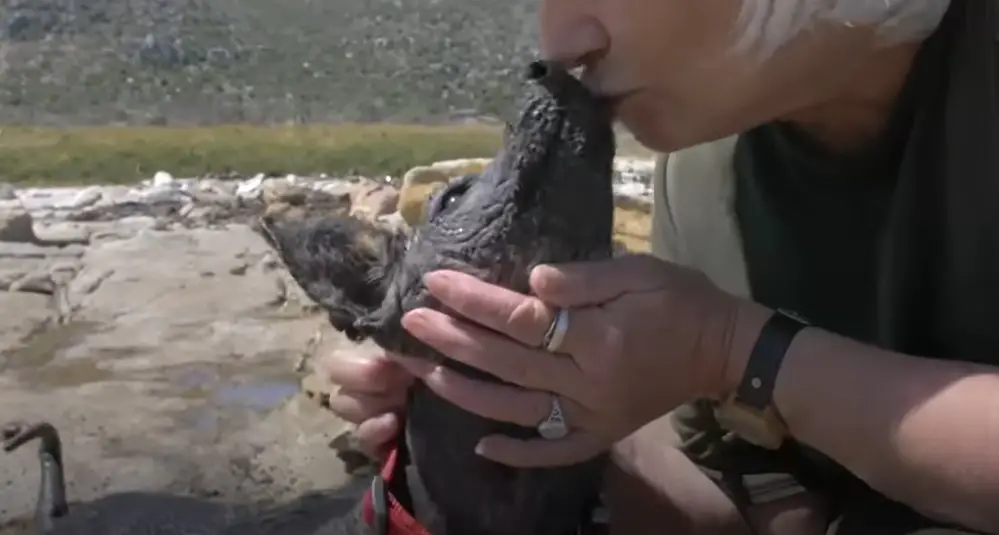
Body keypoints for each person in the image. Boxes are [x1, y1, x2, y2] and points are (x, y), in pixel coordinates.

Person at [315, 0, 999, 534]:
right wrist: (528, 422)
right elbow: (733, 504)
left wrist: (734, 350)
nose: (558, 43)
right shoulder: (705, 171)